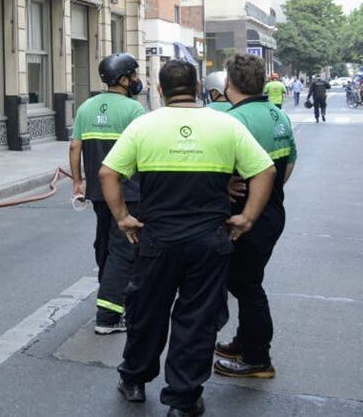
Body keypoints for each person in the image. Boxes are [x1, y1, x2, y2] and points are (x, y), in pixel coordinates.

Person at [101, 59, 275, 417]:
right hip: (208, 243)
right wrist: (247, 217)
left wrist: (123, 218)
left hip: (156, 240)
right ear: (197, 87)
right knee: (196, 320)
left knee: (146, 312)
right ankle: (182, 399)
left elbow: (107, 173)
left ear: (161, 90)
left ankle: (134, 380)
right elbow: (265, 170)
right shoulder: (225, 124)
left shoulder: (143, 126)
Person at [213, 54, 297, 379]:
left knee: (246, 285)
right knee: (247, 280)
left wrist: (232, 188)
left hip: (245, 216)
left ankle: (257, 358)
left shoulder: (234, 121)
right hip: (273, 211)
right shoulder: (278, 115)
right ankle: (245, 341)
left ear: (228, 84)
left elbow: (218, 170)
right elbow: (287, 165)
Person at [69, 53, 147, 335]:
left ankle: (108, 292)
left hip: (98, 192)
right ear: (123, 79)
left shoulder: (86, 108)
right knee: (123, 250)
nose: (137, 81)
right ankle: (109, 314)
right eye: (134, 76)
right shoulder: (133, 110)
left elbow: (75, 148)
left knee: (104, 244)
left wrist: (77, 182)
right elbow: (144, 153)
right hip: (128, 192)